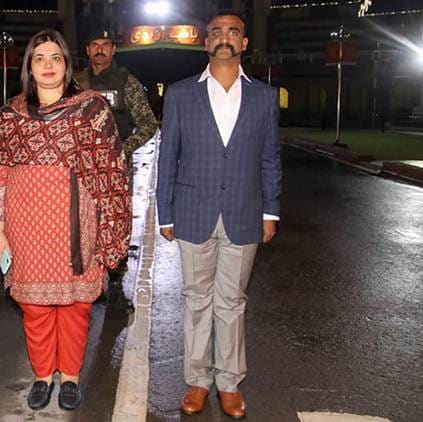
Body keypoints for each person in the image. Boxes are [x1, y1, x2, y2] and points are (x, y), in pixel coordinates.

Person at [0, 29, 131, 412]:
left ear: (66, 65)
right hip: (26, 227)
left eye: (55, 58)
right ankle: (42, 375)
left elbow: (112, 171)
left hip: (75, 226)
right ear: (29, 68)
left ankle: (69, 377)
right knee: (35, 308)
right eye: (39, 59)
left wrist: (108, 230)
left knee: (75, 307)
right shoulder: (10, 115)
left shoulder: (91, 109)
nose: (48, 66)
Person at [156, 11, 281, 419]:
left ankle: (229, 383)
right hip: (192, 212)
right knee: (196, 301)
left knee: (232, 302)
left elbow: (269, 159)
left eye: (233, 32)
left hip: (245, 213)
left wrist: (270, 212)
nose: (223, 38)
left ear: (245, 42)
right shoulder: (179, 94)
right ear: (205, 42)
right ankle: (197, 380)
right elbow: (168, 157)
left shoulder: (263, 96)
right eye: (215, 32)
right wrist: (165, 213)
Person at [74, 26, 158, 309]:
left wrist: (124, 148)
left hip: (117, 167)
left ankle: (118, 283)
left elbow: (148, 123)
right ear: (87, 50)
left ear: (113, 49)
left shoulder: (126, 81)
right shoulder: (75, 82)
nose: (100, 50)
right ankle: (89, 281)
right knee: (83, 223)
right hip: (82, 169)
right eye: (94, 44)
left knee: (116, 223)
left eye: (105, 45)